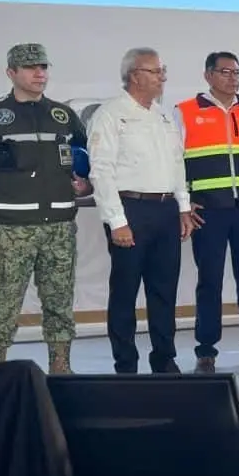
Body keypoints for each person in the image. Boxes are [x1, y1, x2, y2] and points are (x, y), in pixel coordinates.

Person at [0, 43, 91, 374]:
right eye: (31, 67)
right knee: (2, 307)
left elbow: (85, 161)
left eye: (43, 66)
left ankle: (61, 368)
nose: (39, 73)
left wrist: (86, 184)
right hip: (9, 230)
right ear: (11, 73)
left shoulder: (63, 115)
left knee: (60, 304)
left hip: (59, 228)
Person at [87, 47, 194, 374]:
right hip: (129, 209)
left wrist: (183, 207)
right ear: (135, 75)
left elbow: (177, 163)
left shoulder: (163, 115)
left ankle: (164, 358)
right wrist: (117, 222)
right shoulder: (110, 114)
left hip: (165, 210)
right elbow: (101, 170)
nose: (162, 77)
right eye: (155, 71)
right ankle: (126, 363)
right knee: (125, 291)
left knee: (164, 290)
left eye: (163, 71)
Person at [174, 51, 239, 374]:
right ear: (208, 76)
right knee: (210, 282)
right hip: (208, 212)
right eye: (225, 72)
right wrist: (184, 202)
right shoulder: (186, 112)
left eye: (237, 72)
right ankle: (206, 353)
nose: (232, 78)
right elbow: (174, 161)